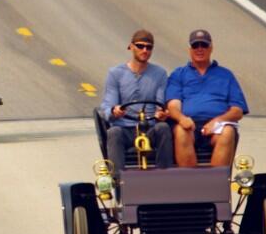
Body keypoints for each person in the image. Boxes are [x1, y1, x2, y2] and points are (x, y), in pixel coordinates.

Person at [166, 29, 249, 168]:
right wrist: (182, 119)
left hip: (217, 126)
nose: (199, 49)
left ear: (211, 48)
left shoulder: (226, 75)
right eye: (195, 45)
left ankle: (215, 184)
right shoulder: (178, 74)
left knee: (227, 132)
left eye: (203, 45)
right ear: (190, 49)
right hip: (190, 124)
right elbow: (173, 106)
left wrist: (217, 121)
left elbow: (237, 111)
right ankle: (190, 183)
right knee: (180, 131)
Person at [99, 30, 173, 173]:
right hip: (126, 128)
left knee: (163, 128)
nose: (144, 50)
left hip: (149, 128)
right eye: (140, 46)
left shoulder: (160, 74)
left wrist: (161, 114)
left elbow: (160, 103)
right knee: (114, 132)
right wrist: (115, 111)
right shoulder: (116, 73)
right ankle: (119, 181)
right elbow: (107, 107)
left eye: (149, 47)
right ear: (131, 47)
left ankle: (165, 177)